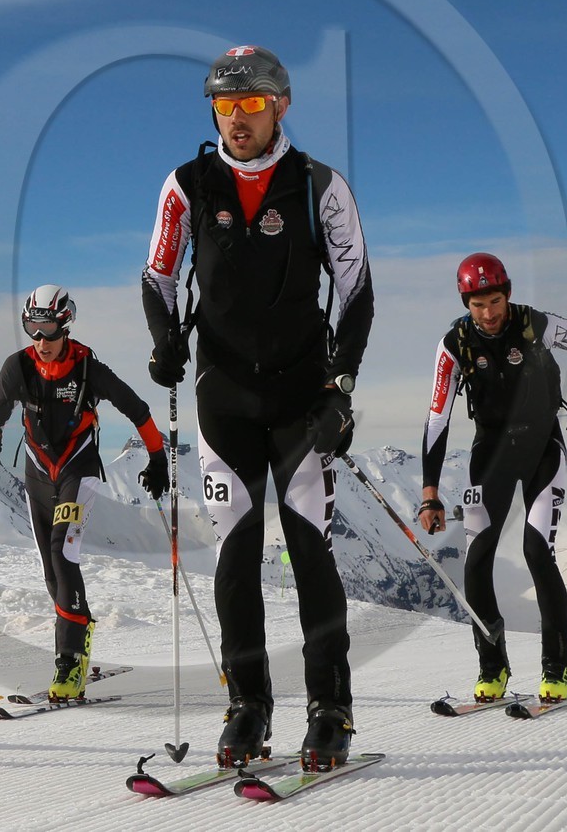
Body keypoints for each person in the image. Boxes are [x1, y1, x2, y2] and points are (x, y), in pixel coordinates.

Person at [140, 45, 374, 771]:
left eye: (251, 104)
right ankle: (247, 709)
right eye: (223, 105)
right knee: (236, 559)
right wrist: (164, 340)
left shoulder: (319, 186)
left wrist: (341, 387)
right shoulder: (187, 184)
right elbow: (158, 274)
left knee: (310, 553)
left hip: (302, 398)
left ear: (281, 105)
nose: (237, 119)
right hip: (224, 396)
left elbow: (357, 289)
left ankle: (330, 710)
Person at [419, 252, 567, 704]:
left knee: (536, 550)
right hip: (488, 453)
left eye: (494, 301)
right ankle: (493, 667)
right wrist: (429, 491)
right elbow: (436, 420)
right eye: (477, 304)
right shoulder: (454, 344)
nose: (488, 313)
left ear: (507, 294)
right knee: (477, 559)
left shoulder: (536, 325)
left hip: (542, 449)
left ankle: (556, 667)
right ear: (465, 303)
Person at [0, 285, 168, 699]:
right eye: (32, 328)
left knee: (65, 552)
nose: (40, 341)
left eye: (47, 329)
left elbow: (137, 409)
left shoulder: (86, 368)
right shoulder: (18, 366)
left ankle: (69, 660)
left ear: (64, 324)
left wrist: (157, 459)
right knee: (51, 568)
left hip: (78, 470)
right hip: (37, 473)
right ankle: (79, 627)